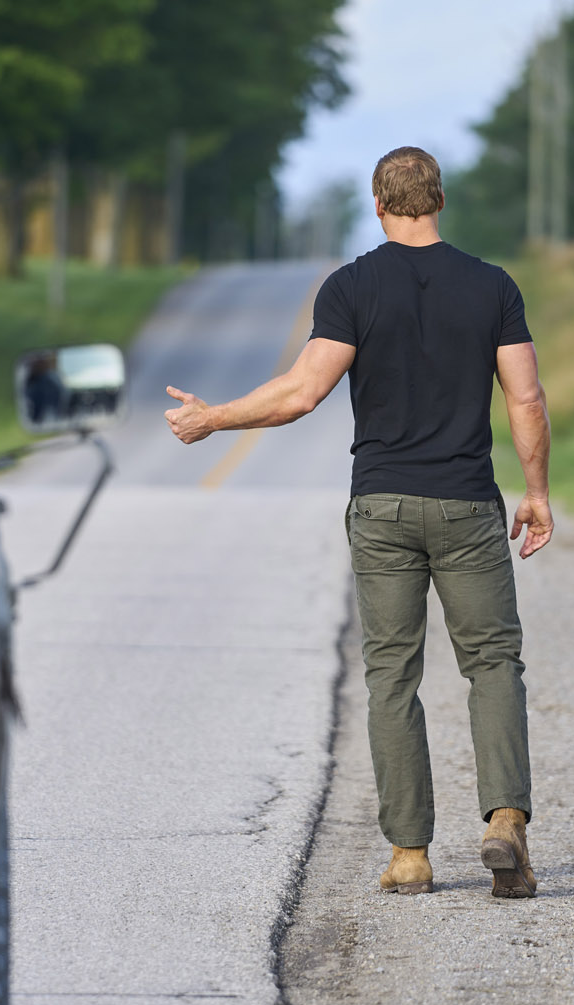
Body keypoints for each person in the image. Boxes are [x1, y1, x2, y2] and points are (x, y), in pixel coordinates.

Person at [163, 146, 552, 900]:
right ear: (440, 200)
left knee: (391, 677)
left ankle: (410, 855)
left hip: (382, 510)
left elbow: (302, 392)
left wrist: (214, 418)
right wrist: (535, 491)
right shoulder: (492, 287)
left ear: (379, 205)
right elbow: (526, 398)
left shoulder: (352, 287)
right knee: (492, 665)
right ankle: (505, 821)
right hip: (469, 505)